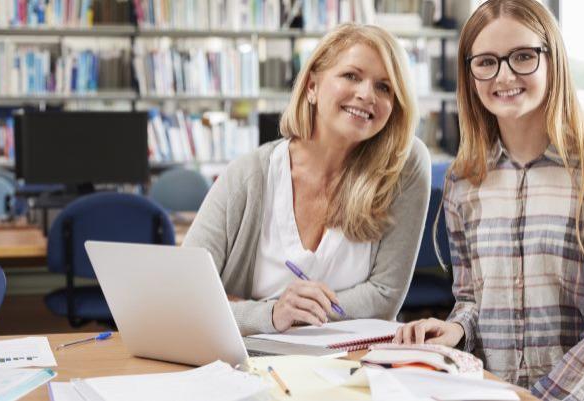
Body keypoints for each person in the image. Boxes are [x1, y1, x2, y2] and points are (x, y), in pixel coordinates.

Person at [393, 1, 584, 401]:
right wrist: (455, 329)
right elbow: (471, 299)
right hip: (494, 389)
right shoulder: (465, 178)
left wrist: (539, 397)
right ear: (470, 72)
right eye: (486, 62)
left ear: (553, 60)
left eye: (523, 57)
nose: (504, 75)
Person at [183, 23, 431, 336]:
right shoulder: (248, 175)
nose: (367, 94)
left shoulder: (403, 165)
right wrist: (272, 313)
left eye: (384, 87)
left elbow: (383, 297)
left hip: (351, 364)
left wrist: (256, 309)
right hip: (250, 363)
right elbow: (186, 295)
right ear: (312, 86)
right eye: (351, 75)